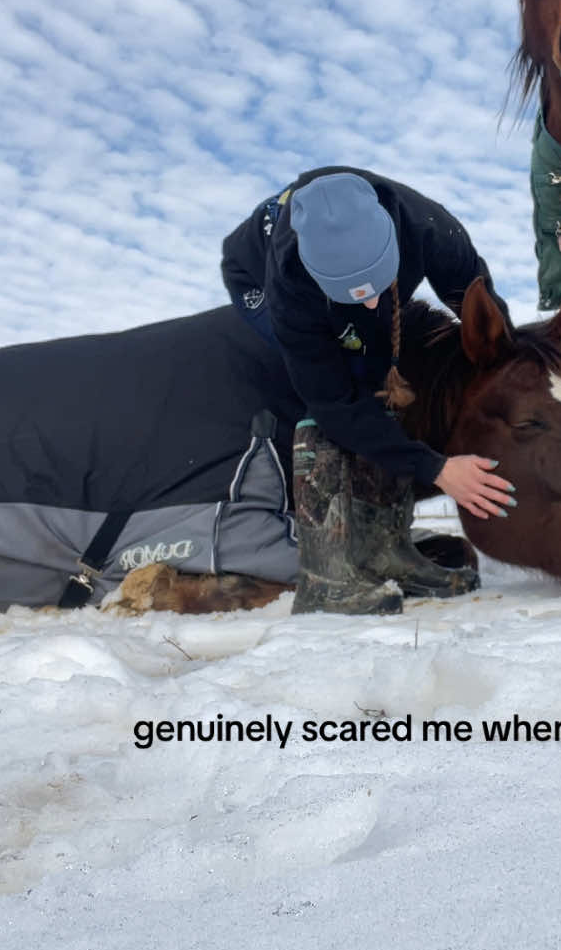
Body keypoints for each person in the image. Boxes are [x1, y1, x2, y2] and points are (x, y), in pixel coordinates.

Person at [221, 167, 517, 615]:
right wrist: (434, 469)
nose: (372, 303)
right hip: (253, 282)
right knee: (340, 386)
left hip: (375, 259)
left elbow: (488, 321)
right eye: (353, 293)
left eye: (377, 284)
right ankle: (326, 578)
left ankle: (386, 549)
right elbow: (333, 402)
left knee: (380, 367)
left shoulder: (431, 230)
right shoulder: (291, 285)